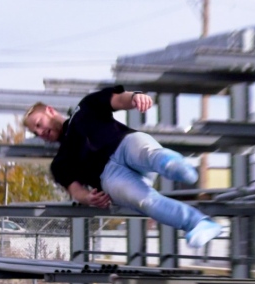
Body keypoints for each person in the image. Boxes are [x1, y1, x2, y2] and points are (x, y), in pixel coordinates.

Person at [23, 85, 223, 249]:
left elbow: (118, 99)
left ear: (50, 111)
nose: (41, 132)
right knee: (145, 202)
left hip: (123, 144)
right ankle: (199, 223)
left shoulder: (84, 109)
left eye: (39, 124)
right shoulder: (60, 162)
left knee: (147, 152)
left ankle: (174, 165)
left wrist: (135, 97)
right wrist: (88, 198)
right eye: (36, 131)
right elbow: (75, 190)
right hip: (110, 176)